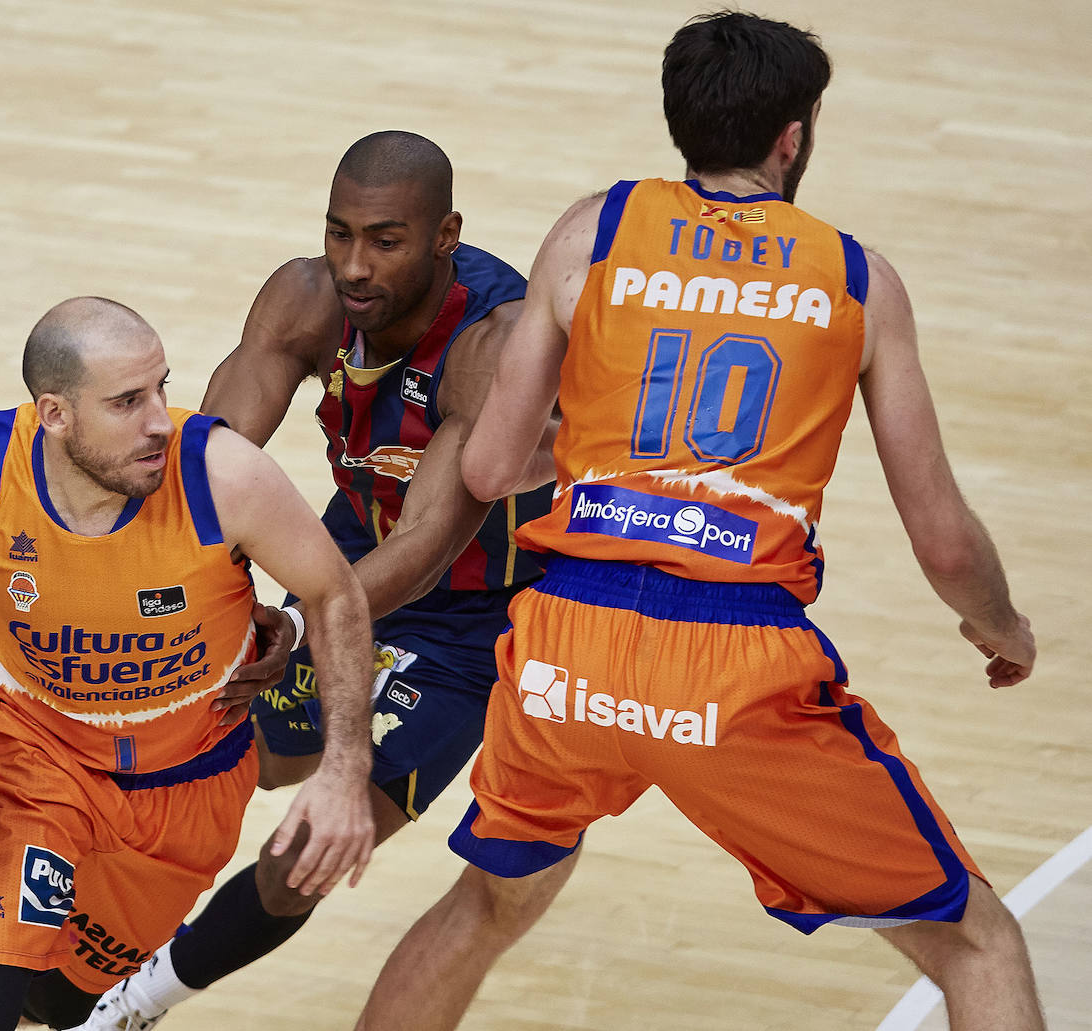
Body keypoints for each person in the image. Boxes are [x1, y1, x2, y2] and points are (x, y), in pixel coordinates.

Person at [353, 13, 1044, 1031]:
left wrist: (607, 455)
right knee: (978, 939)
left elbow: (493, 467)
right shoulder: (858, 279)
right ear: (793, 137)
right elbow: (942, 540)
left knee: (491, 900)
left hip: (566, 649)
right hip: (734, 663)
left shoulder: (593, 229)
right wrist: (1002, 625)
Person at [78, 131, 556, 1029]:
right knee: (198, 762)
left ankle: (132, 1006)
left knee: (312, 848)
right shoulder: (304, 300)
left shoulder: (491, 345)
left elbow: (428, 543)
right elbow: (199, 471)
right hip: (346, 554)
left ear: (446, 234)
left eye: (385, 240)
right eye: (339, 234)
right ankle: (15, 943)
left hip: (478, 614)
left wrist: (298, 623)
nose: (353, 265)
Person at [0, 296, 376, 1031]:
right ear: (55, 413)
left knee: (61, 1001)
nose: (159, 420)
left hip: (193, 777)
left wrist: (344, 770)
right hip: (34, 760)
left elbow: (335, 595)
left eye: (162, 389)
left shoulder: (222, 476)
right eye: (128, 401)